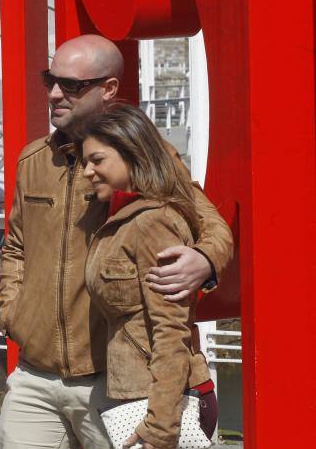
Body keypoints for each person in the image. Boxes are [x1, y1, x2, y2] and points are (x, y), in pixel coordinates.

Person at [0, 34, 232, 448]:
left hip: (113, 383)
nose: (54, 93)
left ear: (108, 89)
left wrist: (204, 259)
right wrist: (11, 312)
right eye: (50, 79)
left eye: (71, 85)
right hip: (34, 376)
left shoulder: (144, 158)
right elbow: (16, 246)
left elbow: (210, 224)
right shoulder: (32, 160)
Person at [78, 104, 218, 448]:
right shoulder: (124, 218)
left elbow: (171, 332)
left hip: (160, 403)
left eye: (97, 160)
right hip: (142, 397)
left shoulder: (152, 222)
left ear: (132, 155)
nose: (86, 172)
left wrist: (160, 427)